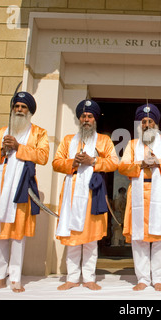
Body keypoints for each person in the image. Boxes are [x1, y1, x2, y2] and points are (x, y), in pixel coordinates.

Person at [0, 91, 49, 293]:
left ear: (29, 111)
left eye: (23, 107)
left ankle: (15, 279)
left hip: (21, 187)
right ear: (12, 108)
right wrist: (2, 151)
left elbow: (43, 156)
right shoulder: (1, 132)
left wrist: (19, 147)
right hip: (0, 188)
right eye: (17, 106)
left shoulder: (39, 133)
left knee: (18, 233)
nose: (19, 110)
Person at [52, 99, 118, 291]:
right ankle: (72, 278)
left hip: (92, 194)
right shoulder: (67, 140)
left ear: (95, 119)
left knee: (90, 238)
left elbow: (114, 163)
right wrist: (72, 162)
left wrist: (93, 160)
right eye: (83, 116)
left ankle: (89, 277)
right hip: (71, 195)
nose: (86, 119)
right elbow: (56, 163)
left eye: (90, 116)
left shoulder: (104, 140)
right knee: (72, 237)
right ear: (79, 118)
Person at [118, 103, 161, 291]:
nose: (147, 124)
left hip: (160, 192)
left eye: (150, 121)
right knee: (139, 238)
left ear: (156, 124)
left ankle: (160, 279)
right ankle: (143, 278)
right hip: (138, 193)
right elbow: (123, 166)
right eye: (143, 121)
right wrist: (140, 164)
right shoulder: (132, 144)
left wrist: (158, 162)